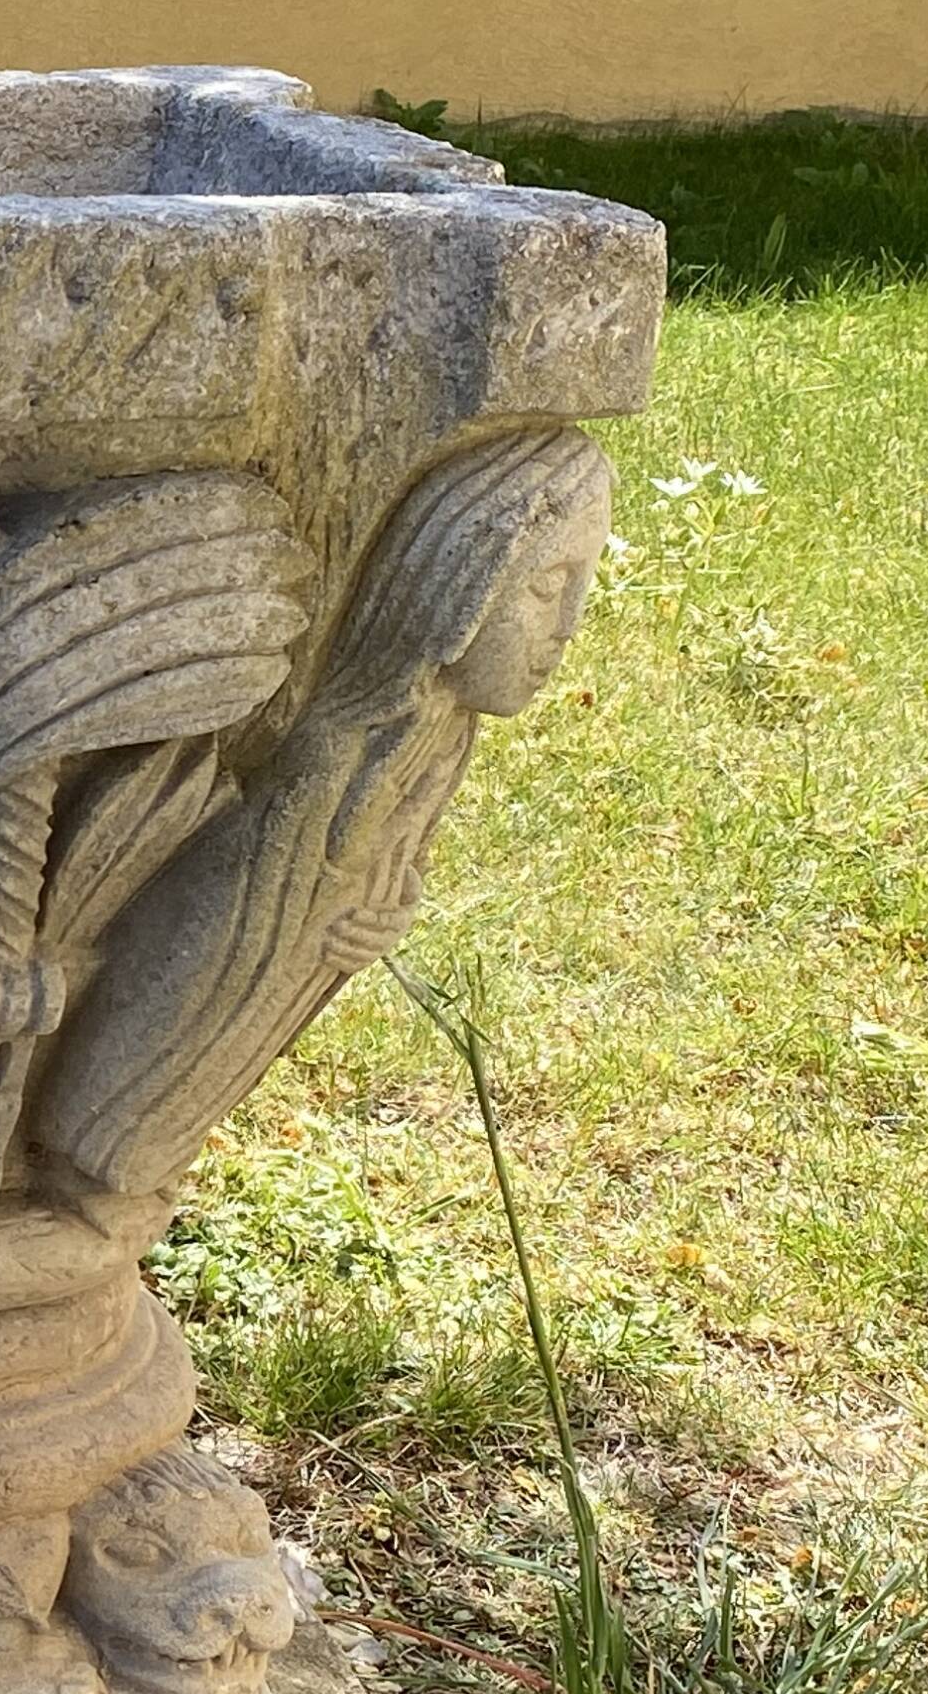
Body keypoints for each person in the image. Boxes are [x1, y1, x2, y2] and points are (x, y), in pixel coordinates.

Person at [34, 428, 613, 1204]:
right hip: (156, 1045)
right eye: (546, 587)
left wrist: (381, 911)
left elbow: (378, 878)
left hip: (240, 1013)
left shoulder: (441, 736)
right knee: (104, 1132)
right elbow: (229, 933)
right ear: (456, 585)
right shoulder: (343, 748)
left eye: (584, 585)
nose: (570, 625)